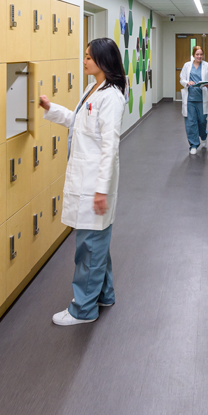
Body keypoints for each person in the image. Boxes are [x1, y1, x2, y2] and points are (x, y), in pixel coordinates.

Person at [40, 38, 126, 326]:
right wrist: (51, 108)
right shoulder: (94, 89)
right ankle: (104, 295)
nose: (84, 60)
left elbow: (109, 147)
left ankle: (83, 309)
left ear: (103, 61)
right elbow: (78, 122)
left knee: (88, 248)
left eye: (89, 57)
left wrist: (101, 189)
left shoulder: (111, 97)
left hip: (95, 185)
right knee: (97, 244)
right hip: (87, 182)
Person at [180, 45, 208, 155]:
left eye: (201, 54)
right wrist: (187, 83)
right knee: (190, 122)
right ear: (193, 55)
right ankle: (193, 145)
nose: (199, 56)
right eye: (197, 54)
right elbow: (182, 79)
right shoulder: (187, 65)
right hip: (190, 99)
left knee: (202, 121)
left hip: (202, 99)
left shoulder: (207, 65)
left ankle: (203, 136)